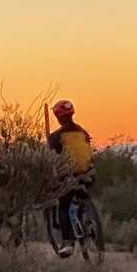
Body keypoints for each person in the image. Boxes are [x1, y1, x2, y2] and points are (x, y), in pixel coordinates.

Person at [47, 100, 94, 257]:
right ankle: (87, 220)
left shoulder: (57, 136)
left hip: (68, 176)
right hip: (88, 174)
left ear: (58, 117)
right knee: (82, 196)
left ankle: (68, 242)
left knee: (63, 205)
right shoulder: (83, 133)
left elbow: (51, 156)